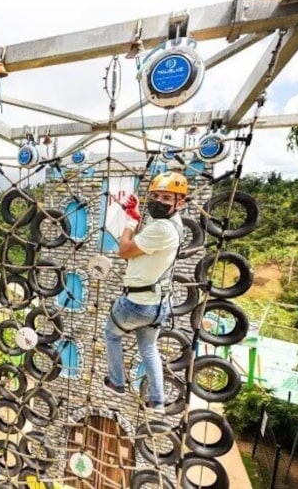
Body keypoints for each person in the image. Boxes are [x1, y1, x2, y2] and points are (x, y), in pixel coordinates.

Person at [103, 172, 188, 414]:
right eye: (156, 196)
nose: (159, 201)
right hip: (159, 303)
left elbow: (125, 249)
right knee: (149, 349)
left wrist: (130, 222)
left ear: (179, 202)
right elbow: (145, 244)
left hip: (137, 303)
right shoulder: (175, 225)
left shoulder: (161, 228)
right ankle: (157, 401)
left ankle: (117, 383)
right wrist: (137, 215)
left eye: (166, 197)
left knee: (111, 334)